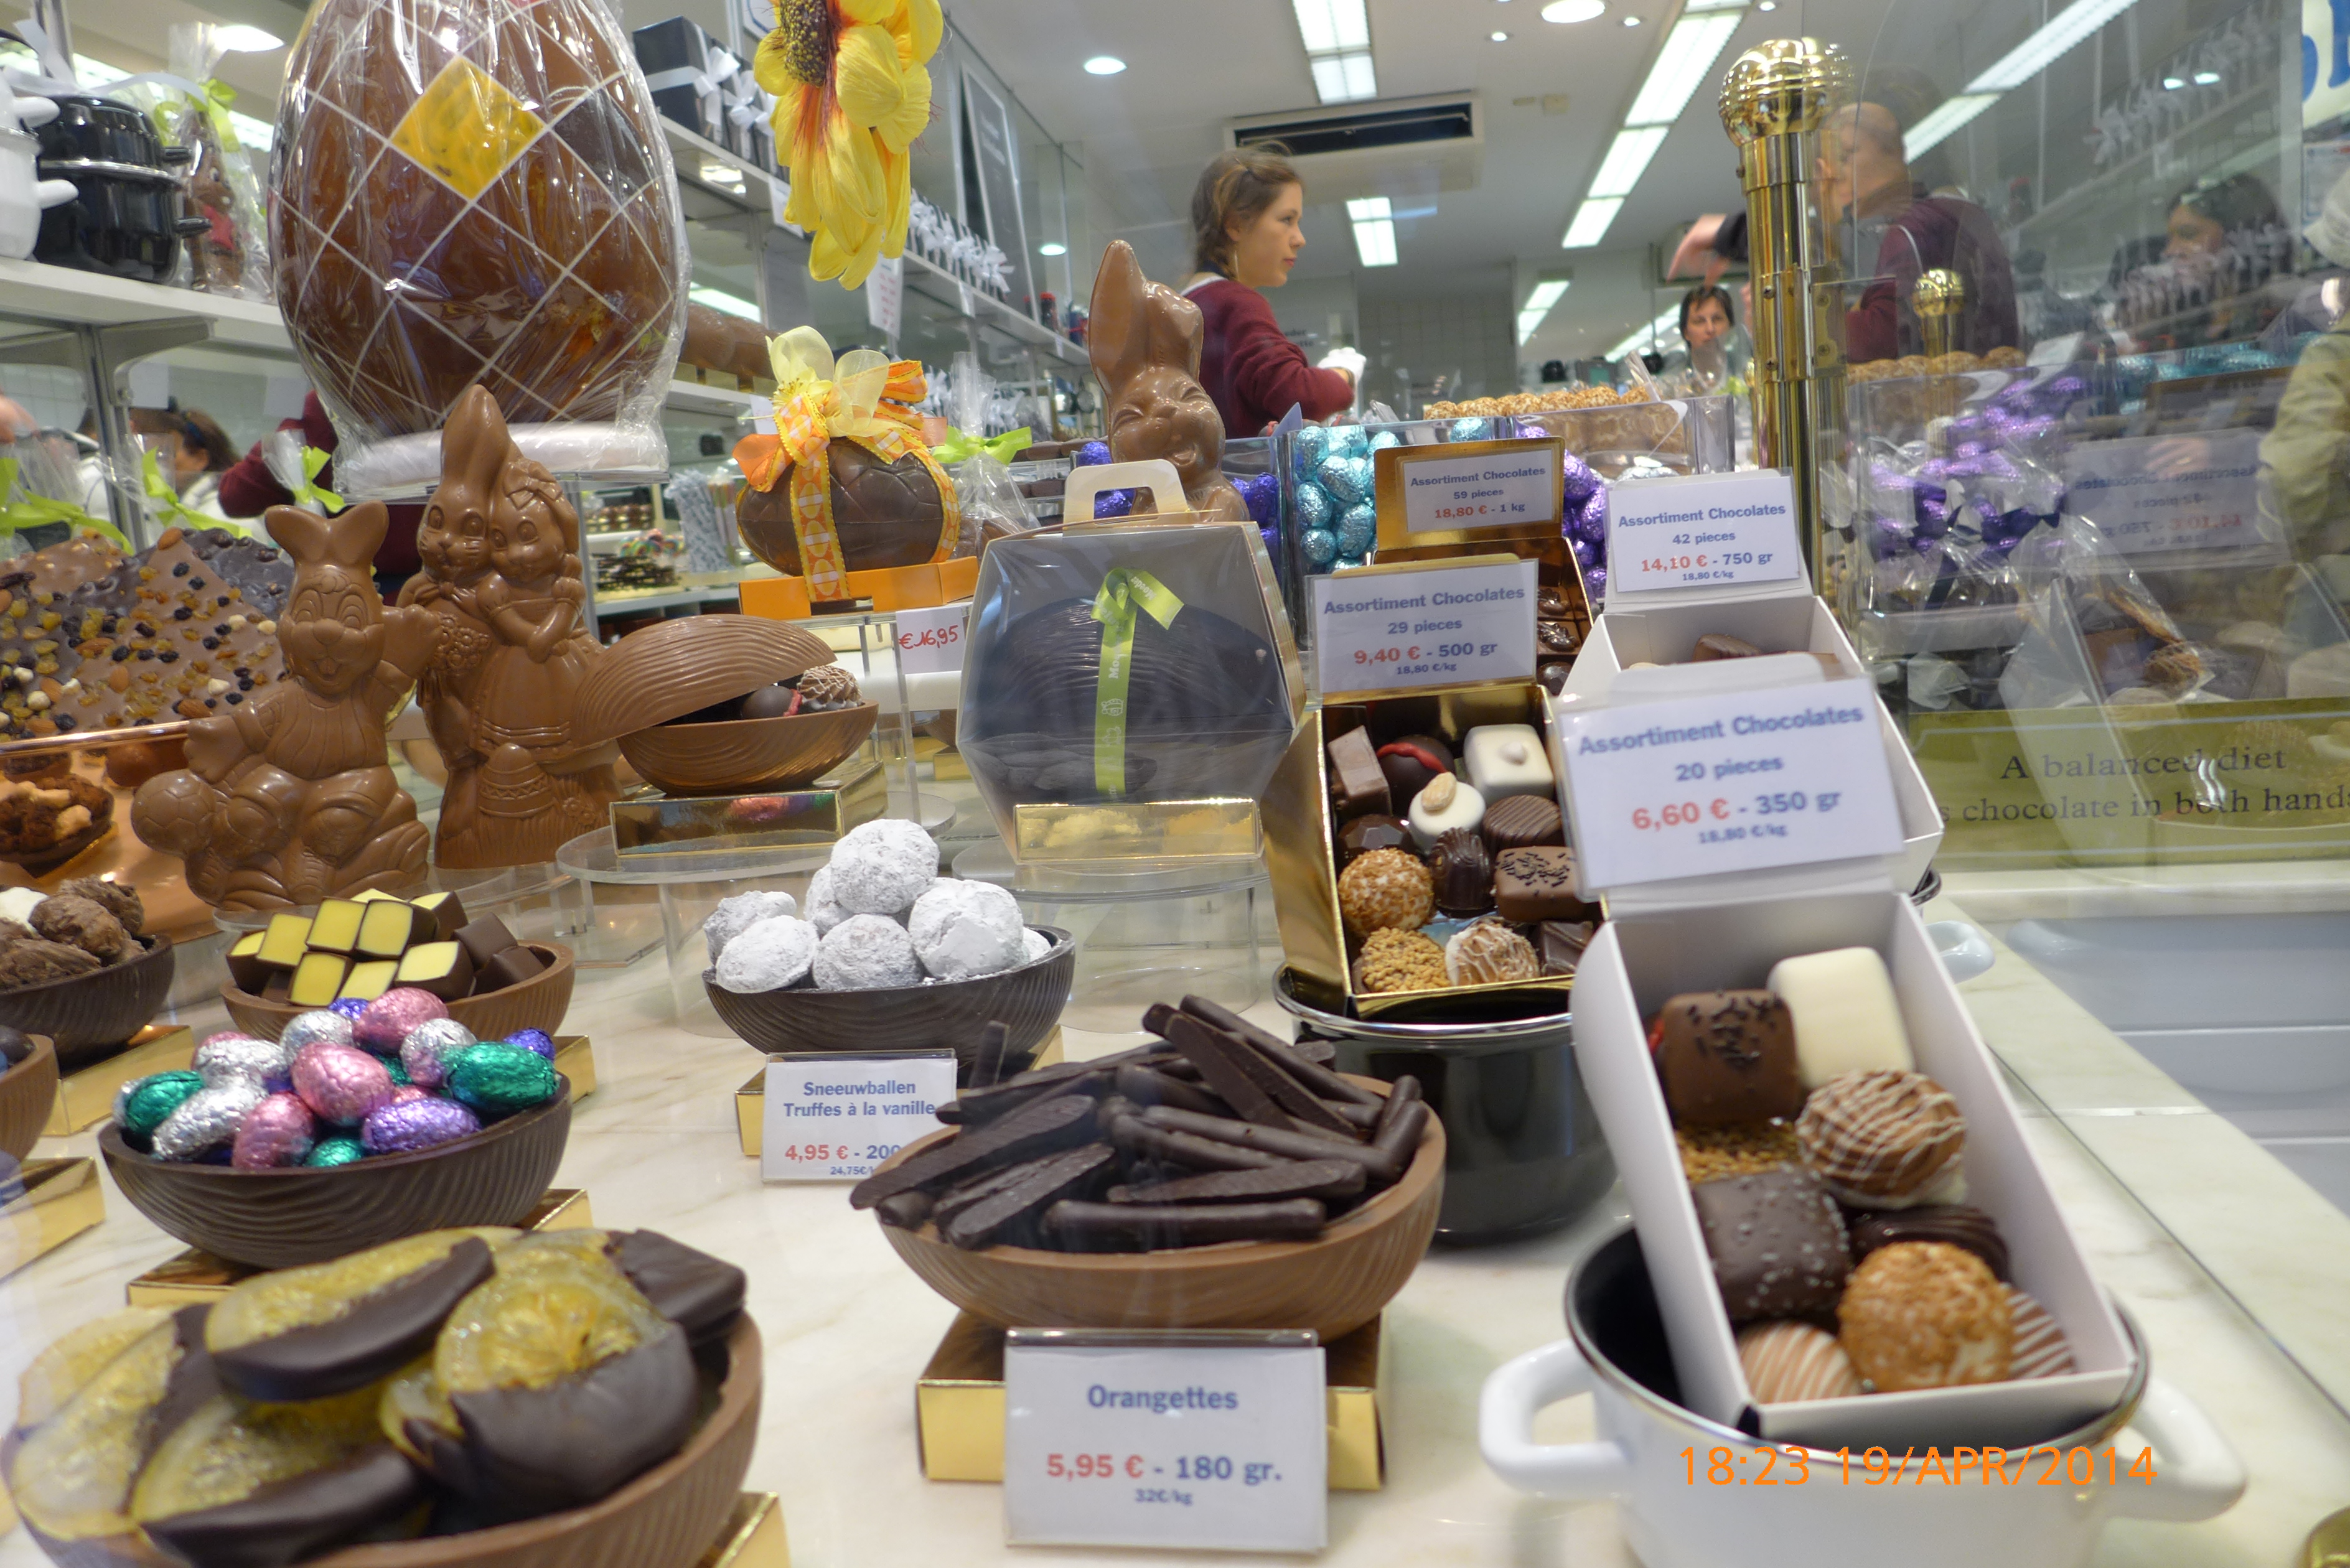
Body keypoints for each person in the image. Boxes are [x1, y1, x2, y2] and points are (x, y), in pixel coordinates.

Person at [1668, 71, 2019, 366]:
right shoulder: (1948, 216)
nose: (1832, 173)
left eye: (1847, 154)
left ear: (1901, 153)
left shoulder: (1920, 227)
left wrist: (1789, 318)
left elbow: (1885, 337)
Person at [1178, 147, 1362, 437]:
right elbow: (1301, 397)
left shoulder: (1186, 305)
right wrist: (1343, 373)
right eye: (1287, 219)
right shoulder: (1236, 303)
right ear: (1236, 225)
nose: (1299, 239)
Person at [218, 390, 423, 595]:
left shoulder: (327, 404)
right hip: (423, 596)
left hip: (329, 594)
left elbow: (235, 496)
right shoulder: (435, 402)